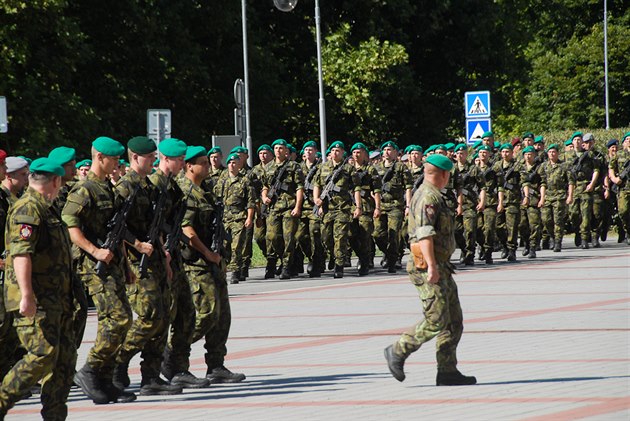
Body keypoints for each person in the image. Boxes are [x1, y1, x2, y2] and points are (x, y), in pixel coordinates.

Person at [383, 154, 476, 386]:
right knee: (436, 319)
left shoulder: (434, 194)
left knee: (453, 319)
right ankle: (398, 350)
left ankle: (447, 370)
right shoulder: (428, 197)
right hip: (427, 266)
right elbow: (424, 233)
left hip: (440, 264)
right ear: (444, 174)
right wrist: (433, 267)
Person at [0, 158, 77, 419]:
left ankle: (55, 416)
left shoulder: (47, 208)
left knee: (63, 362)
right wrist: (26, 295)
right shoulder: (28, 209)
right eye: (60, 183)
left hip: (58, 300)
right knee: (42, 355)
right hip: (38, 301)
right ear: (55, 181)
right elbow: (21, 254)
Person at [62, 137, 136, 404]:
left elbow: (116, 233)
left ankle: (104, 379)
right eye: (114, 159)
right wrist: (95, 252)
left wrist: (126, 264)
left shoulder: (109, 188)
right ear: (100, 158)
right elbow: (71, 227)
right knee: (118, 318)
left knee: (118, 318)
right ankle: (90, 370)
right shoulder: (84, 190)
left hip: (113, 263)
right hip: (94, 266)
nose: (117, 164)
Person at [112, 136, 182, 396]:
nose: (154, 160)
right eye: (150, 157)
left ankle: (150, 376)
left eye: (155, 157)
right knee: (150, 317)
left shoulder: (149, 187)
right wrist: (137, 245)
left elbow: (156, 224)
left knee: (163, 317)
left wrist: (165, 255)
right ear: (135, 158)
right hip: (136, 261)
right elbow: (117, 226)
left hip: (155, 259)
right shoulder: (125, 187)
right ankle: (119, 360)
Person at [179, 145, 245, 384]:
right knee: (205, 314)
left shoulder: (204, 188)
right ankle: (173, 356)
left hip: (214, 260)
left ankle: (216, 365)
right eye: (203, 163)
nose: (208, 166)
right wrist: (207, 253)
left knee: (222, 316)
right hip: (196, 262)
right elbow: (186, 229)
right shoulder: (185, 191)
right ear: (189, 166)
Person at [312, 141, 362, 278]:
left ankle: (339, 266)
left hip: (343, 208)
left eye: (338, 150)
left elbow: (356, 188)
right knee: (326, 237)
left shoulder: (349, 169)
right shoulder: (323, 168)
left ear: (343, 153)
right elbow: (317, 184)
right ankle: (333, 256)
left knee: (340, 237)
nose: (335, 153)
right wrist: (317, 200)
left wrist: (358, 206)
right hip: (327, 208)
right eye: (333, 150)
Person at [261, 139, 304, 279]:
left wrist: (298, 206)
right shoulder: (268, 167)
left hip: (289, 207)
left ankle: (286, 266)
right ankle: (287, 258)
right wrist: (264, 197)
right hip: (274, 207)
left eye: (281, 148)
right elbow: (265, 186)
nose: (278, 150)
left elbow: (299, 188)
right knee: (272, 237)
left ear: (286, 151)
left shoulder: (293, 166)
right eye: (276, 148)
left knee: (289, 237)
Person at [214, 153, 255, 284]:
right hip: (224, 218)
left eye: (235, 162)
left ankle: (235, 272)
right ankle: (224, 270)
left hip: (239, 217)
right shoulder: (222, 179)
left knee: (236, 246)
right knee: (224, 246)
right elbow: (216, 199)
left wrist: (249, 218)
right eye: (230, 163)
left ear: (239, 164)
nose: (232, 165)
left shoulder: (245, 180)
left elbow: (250, 202)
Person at [609, 132, 630, 244]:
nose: (629, 141)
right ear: (624, 142)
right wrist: (614, 178)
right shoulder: (619, 154)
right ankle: (628, 230)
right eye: (627, 139)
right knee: (623, 211)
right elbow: (611, 167)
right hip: (624, 188)